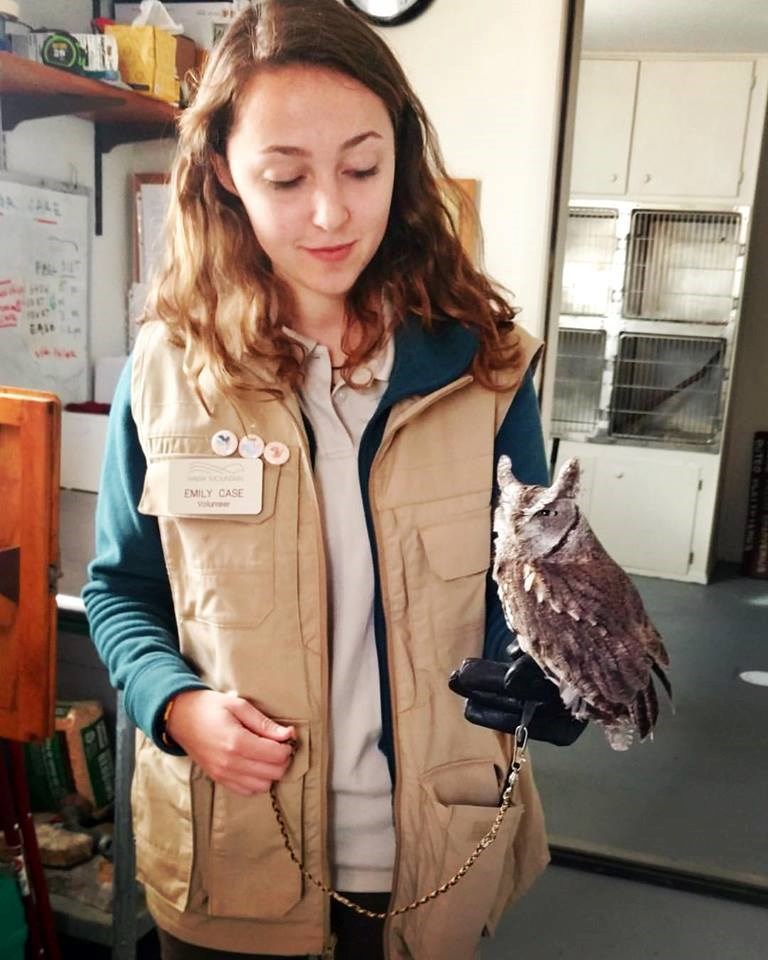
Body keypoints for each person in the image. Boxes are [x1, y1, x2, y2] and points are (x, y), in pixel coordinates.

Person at [83, 2, 583, 958]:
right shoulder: (164, 370)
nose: (330, 211)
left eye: (362, 167)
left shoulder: (484, 369)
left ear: (401, 156)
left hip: (434, 854)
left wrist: (548, 678)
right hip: (235, 851)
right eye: (286, 176)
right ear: (225, 173)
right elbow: (122, 591)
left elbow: (528, 592)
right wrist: (178, 706)